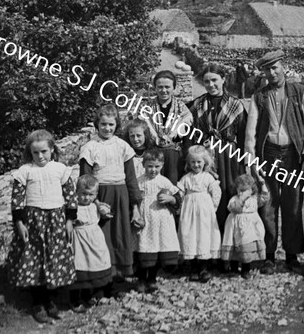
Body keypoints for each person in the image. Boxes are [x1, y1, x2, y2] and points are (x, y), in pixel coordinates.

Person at [245, 49, 304, 275]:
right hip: (268, 153)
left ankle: (292, 255)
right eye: (267, 69)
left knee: (293, 204)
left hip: (292, 155)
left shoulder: (299, 92)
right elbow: (251, 133)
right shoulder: (259, 96)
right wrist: (252, 161)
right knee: (267, 204)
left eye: (275, 67)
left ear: (283, 67)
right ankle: (268, 256)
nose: (272, 72)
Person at [7, 129, 77, 323]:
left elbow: (71, 197)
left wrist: (69, 220)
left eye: (44, 151)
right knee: (35, 261)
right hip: (33, 222)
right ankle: (37, 303)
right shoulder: (25, 171)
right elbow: (17, 200)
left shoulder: (60, 170)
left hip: (55, 221)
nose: (40, 156)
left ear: (52, 149)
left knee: (53, 259)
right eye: (35, 153)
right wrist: (19, 222)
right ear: (30, 153)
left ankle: (51, 301)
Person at [187, 64, 246, 258]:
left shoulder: (236, 105)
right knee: (208, 200)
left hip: (229, 155)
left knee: (229, 195)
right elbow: (188, 132)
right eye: (206, 81)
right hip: (205, 157)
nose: (211, 85)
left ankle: (229, 253)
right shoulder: (197, 104)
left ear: (223, 80)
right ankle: (208, 251)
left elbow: (244, 135)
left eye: (214, 80)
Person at [78, 104, 142, 278]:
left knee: (120, 234)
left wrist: (135, 206)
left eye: (111, 125)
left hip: (120, 195)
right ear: (97, 124)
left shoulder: (122, 146)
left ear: (116, 125)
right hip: (100, 196)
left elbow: (131, 179)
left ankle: (118, 275)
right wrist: (97, 204)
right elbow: (85, 180)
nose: (107, 128)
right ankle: (102, 275)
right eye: (103, 124)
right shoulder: (90, 147)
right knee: (101, 236)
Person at [134, 150, 182, 293]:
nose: (153, 170)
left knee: (156, 247)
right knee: (144, 248)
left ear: (162, 165)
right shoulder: (139, 181)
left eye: (156, 166)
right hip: (145, 220)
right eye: (149, 166)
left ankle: (152, 279)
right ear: (143, 165)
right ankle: (141, 279)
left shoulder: (164, 181)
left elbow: (177, 197)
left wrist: (171, 199)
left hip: (161, 220)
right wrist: (135, 212)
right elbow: (133, 199)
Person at [177, 145, 222, 283]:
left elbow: (216, 192)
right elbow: (179, 193)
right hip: (189, 210)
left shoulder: (208, 177)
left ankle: (204, 268)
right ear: (189, 163)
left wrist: (212, 208)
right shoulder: (186, 178)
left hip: (204, 211)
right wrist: (179, 206)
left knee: (203, 235)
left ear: (205, 162)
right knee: (189, 234)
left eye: (199, 162)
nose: (196, 165)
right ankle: (193, 268)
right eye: (193, 162)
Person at [69, 175, 112, 313]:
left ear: (95, 195)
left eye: (90, 195)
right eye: (83, 194)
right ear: (77, 192)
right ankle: (75, 299)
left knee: (93, 266)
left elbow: (106, 214)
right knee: (79, 267)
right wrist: (73, 222)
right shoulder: (72, 207)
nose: (86, 198)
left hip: (94, 241)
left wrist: (104, 210)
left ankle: (88, 295)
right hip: (79, 242)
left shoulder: (95, 207)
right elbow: (67, 220)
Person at [145, 70, 193, 185]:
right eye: (160, 87)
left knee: (173, 186)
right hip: (153, 155)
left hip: (174, 156)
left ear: (174, 88)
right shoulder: (147, 107)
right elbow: (144, 128)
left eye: (167, 87)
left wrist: (187, 156)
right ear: (155, 88)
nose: (164, 90)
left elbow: (187, 133)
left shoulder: (181, 108)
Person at [221, 174, 268, 279]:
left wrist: (263, 184)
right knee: (234, 245)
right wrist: (241, 199)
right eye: (239, 190)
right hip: (235, 226)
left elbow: (265, 198)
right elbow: (234, 208)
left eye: (245, 190)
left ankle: (246, 269)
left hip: (249, 228)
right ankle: (233, 268)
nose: (241, 193)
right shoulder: (234, 199)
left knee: (246, 247)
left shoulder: (254, 199)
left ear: (252, 190)